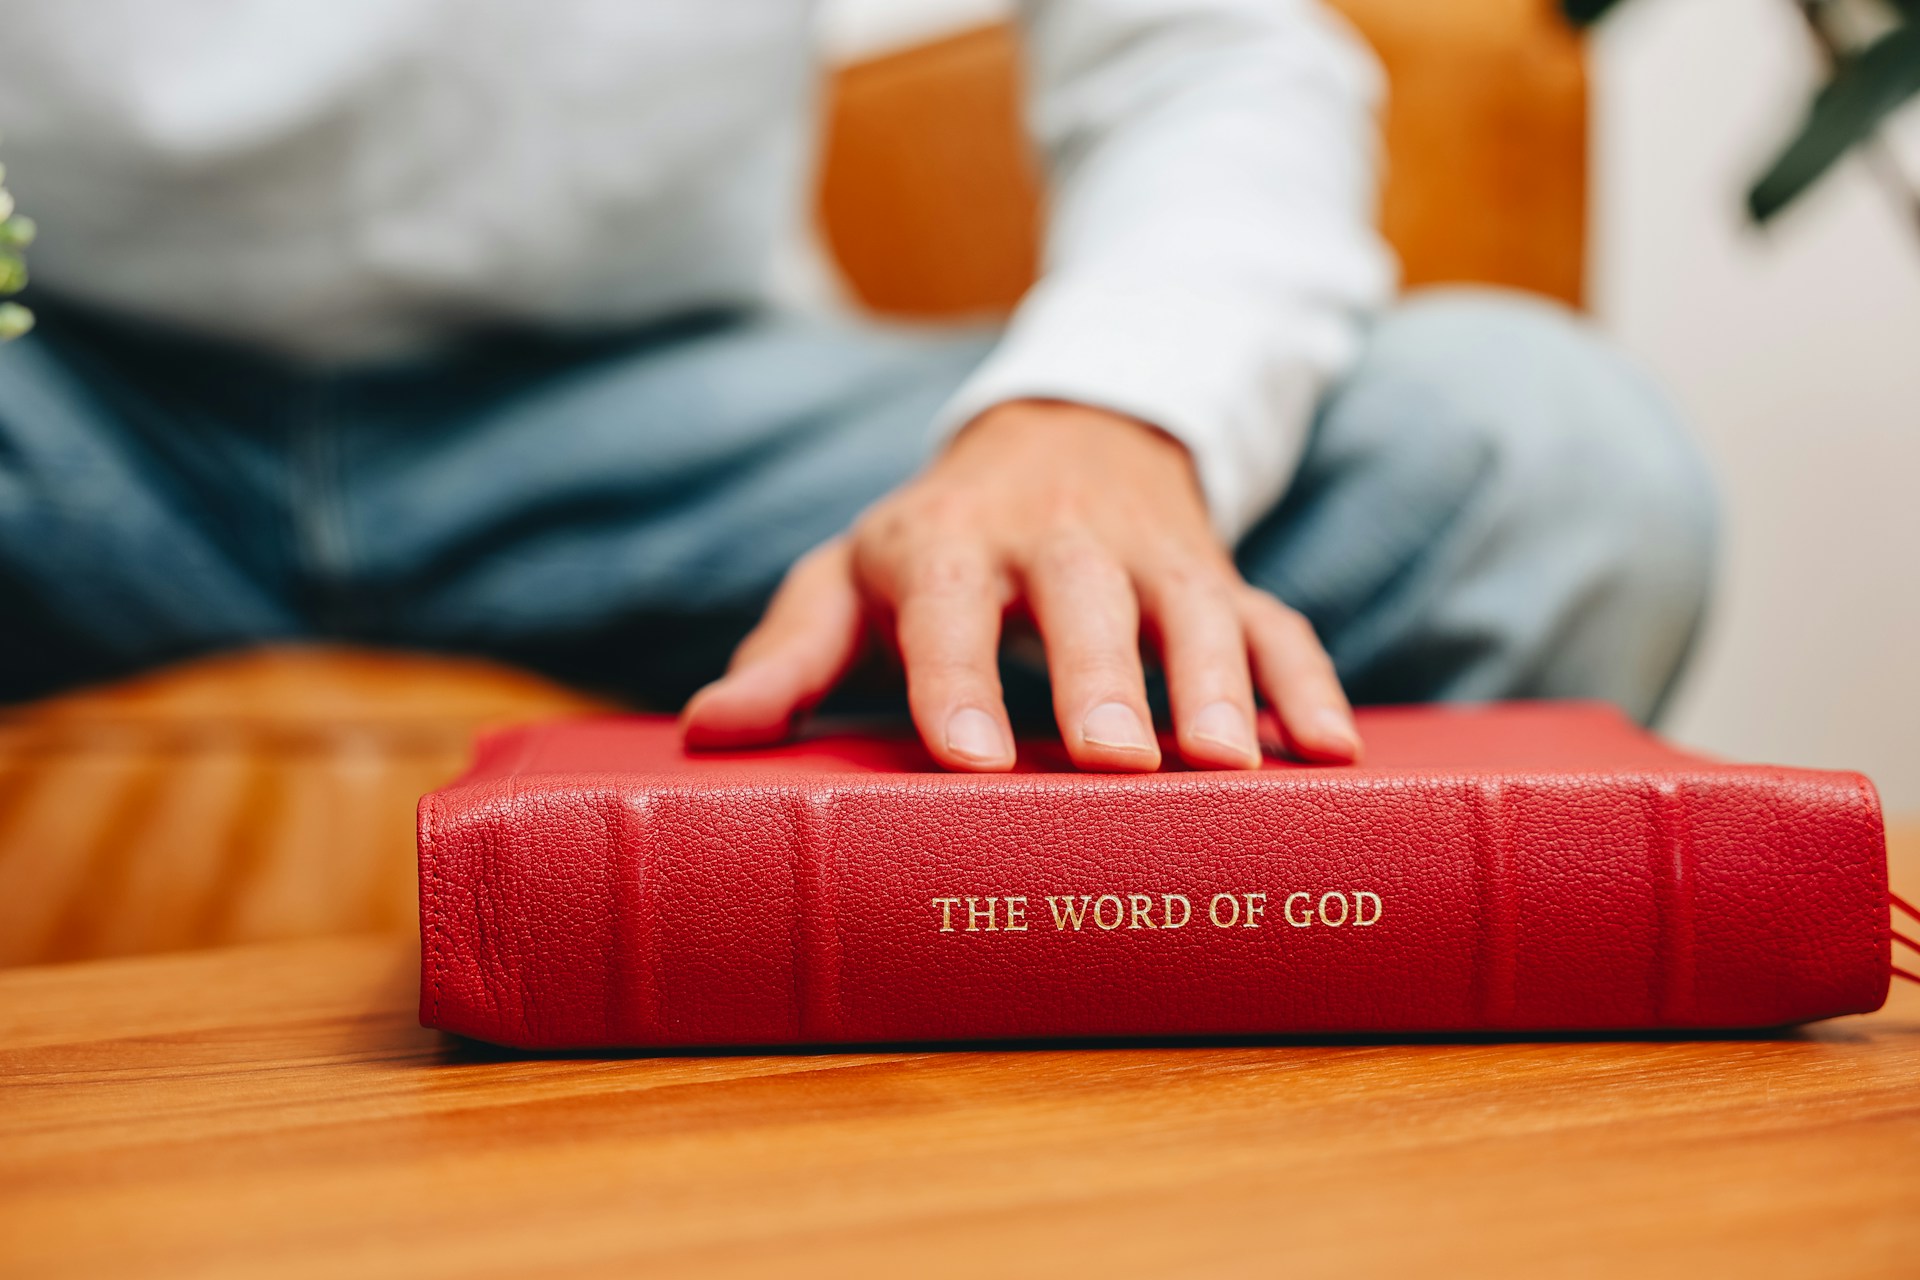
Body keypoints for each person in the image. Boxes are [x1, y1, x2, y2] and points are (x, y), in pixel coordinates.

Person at [0, 0, 1714, 772]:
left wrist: (1102, 416)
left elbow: (1210, 55)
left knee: (1544, 460)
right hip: (54, 398)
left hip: (680, 427)